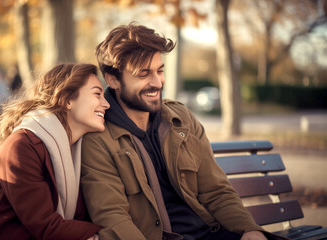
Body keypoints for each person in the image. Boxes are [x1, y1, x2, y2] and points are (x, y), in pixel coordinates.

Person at [80, 23, 285, 240]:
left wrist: (248, 229)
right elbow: (112, 217)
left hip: (213, 233)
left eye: (160, 71)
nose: (157, 82)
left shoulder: (181, 119)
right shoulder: (98, 139)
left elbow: (216, 191)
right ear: (112, 79)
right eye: (143, 74)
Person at [0, 63, 109, 240]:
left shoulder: (78, 148)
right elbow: (46, 227)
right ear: (67, 99)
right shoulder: (22, 146)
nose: (106, 104)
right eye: (97, 94)